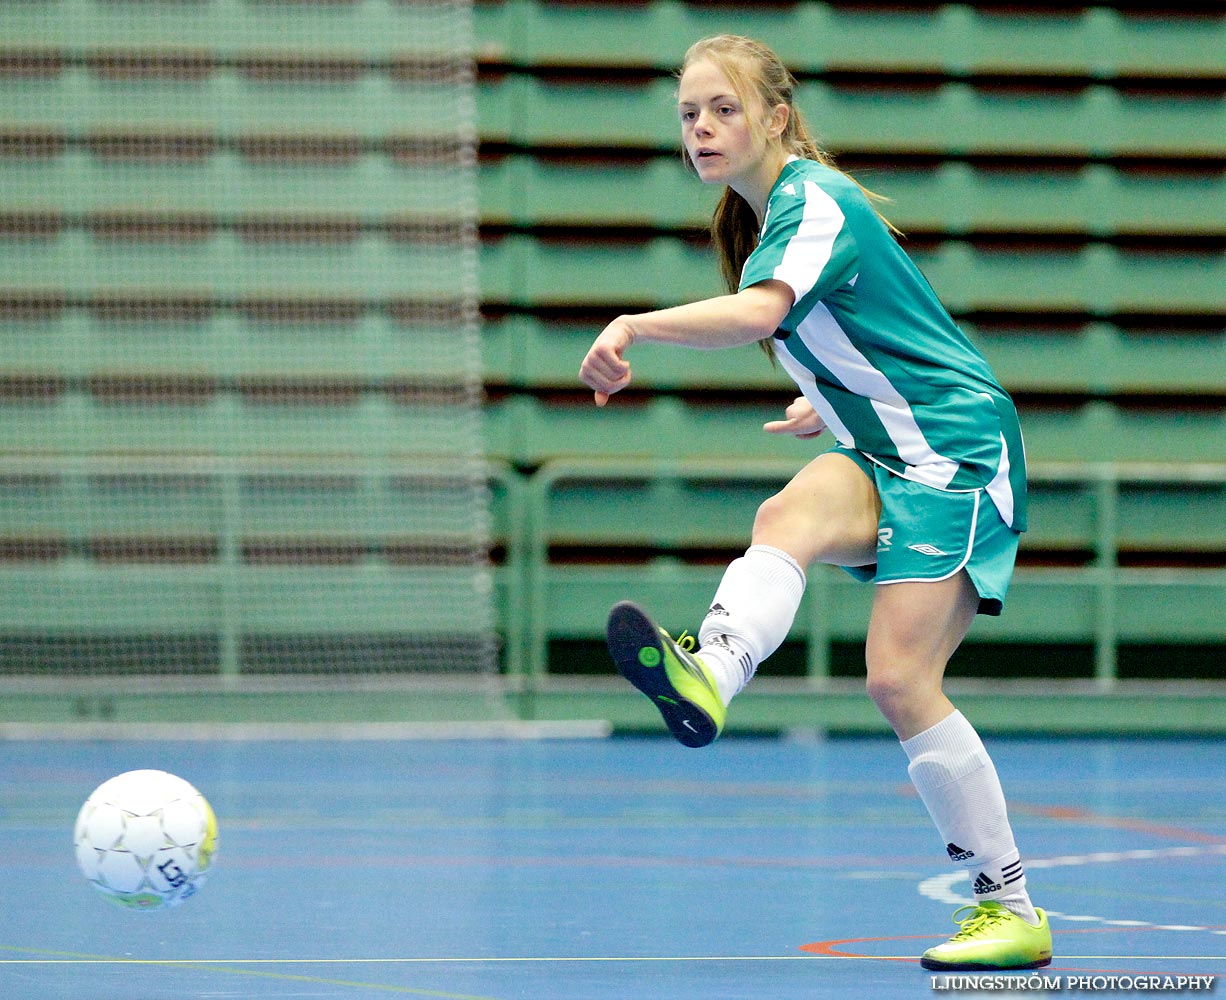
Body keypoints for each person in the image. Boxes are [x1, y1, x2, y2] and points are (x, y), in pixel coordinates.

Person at [578, 34, 1051, 972]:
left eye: (723, 109)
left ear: (776, 118)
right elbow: (865, 326)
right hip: (883, 442)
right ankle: (712, 671)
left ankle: (1011, 904)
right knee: (782, 520)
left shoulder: (814, 199)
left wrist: (632, 324)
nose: (703, 128)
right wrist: (830, 398)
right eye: (688, 114)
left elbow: (763, 314)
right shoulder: (759, 221)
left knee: (897, 679)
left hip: (953, 452)